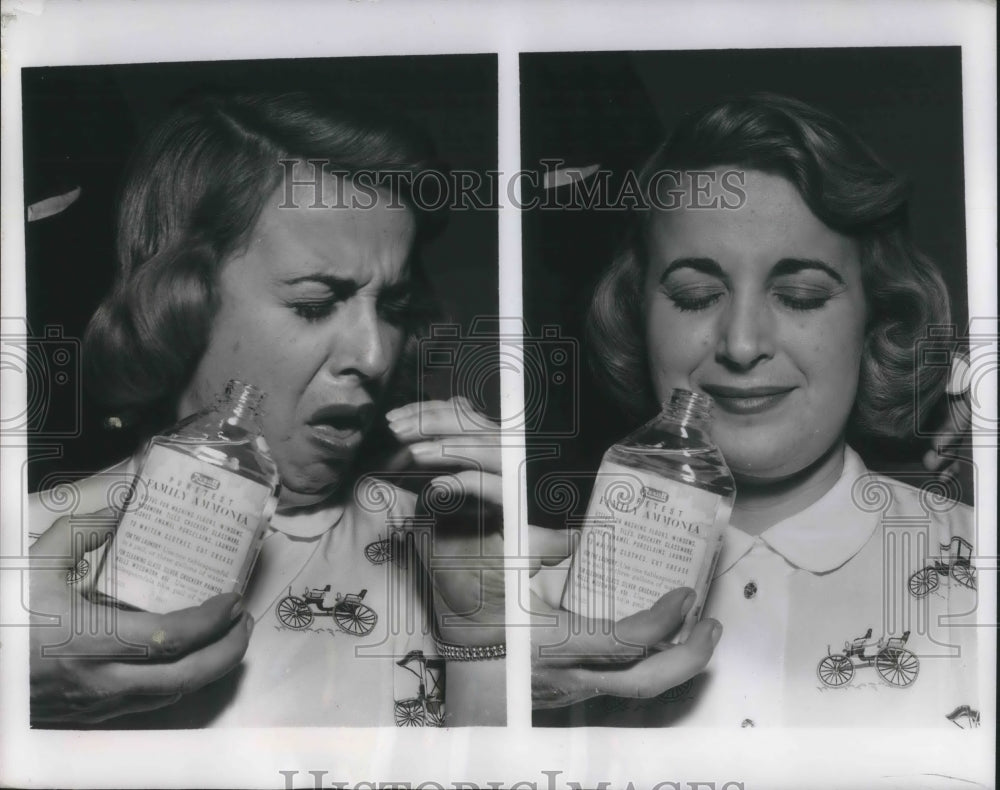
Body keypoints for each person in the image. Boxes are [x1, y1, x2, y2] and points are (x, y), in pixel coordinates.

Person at [27, 91, 505, 727]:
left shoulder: (450, 541)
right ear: (181, 303)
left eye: (391, 309)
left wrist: (486, 638)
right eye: (314, 304)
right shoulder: (24, 559)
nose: (373, 354)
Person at [531, 93, 980, 727]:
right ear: (637, 316)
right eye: (694, 296)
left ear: (877, 315)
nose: (741, 345)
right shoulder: (534, 609)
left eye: (800, 296)